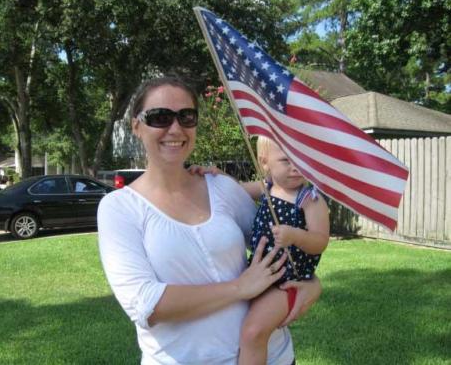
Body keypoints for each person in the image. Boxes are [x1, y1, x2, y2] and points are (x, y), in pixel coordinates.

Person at [98, 76, 322, 364]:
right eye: (160, 117)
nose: (175, 128)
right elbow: (146, 304)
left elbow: (278, 245)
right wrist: (239, 288)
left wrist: (313, 283)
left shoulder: (222, 188)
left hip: (274, 357)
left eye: (186, 117)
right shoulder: (119, 208)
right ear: (137, 126)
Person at [237, 137, 330, 364]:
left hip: (287, 280)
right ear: (264, 161)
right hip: (261, 274)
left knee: (253, 332)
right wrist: (214, 174)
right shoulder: (265, 188)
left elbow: (320, 241)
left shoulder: (309, 199)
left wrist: (294, 236)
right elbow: (234, 189)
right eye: (286, 160)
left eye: (300, 158)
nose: (296, 166)